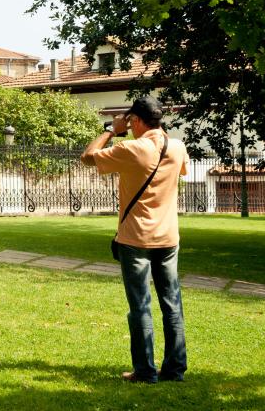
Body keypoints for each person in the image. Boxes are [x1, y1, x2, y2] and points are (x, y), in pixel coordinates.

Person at [80, 96, 189, 384]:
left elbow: (88, 156)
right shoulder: (177, 147)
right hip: (168, 237)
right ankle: (175, 369)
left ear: (137, 121)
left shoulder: (132, 147)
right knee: (172, 304)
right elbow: (180, 170)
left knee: (140, 305)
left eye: (131, 121)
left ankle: (144, 371)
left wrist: (111, 130)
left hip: (136, 238)